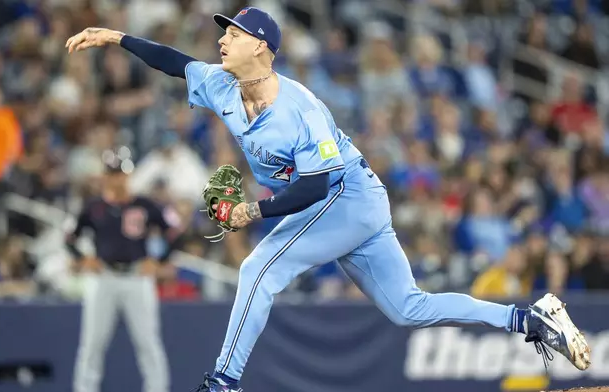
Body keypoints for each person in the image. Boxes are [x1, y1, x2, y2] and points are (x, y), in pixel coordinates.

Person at [65, 8, 591, 392]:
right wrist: (116, 37)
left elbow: (316, 186)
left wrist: (254, 210)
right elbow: (173, 62)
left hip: (348, 196)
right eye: (224, 30)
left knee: (258, 267)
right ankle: (530, 319)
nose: (223, 38)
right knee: (409, 309)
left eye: (236, 32)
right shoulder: (222, 84)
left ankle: (223, 382)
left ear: (263, 48)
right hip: (342, 207)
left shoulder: (301, 107)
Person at [65, 150, 180, 392]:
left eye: (120, 173)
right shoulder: (94, 206)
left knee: (148, 343)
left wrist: (159, 260)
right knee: (92, 344)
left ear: (128, 174)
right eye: (112, 173)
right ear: (105, 176)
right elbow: (70, 236)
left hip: (137, 276)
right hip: (104, 277)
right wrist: (83, 258)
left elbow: (174, 230)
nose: (116, 179)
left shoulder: (144, 204)